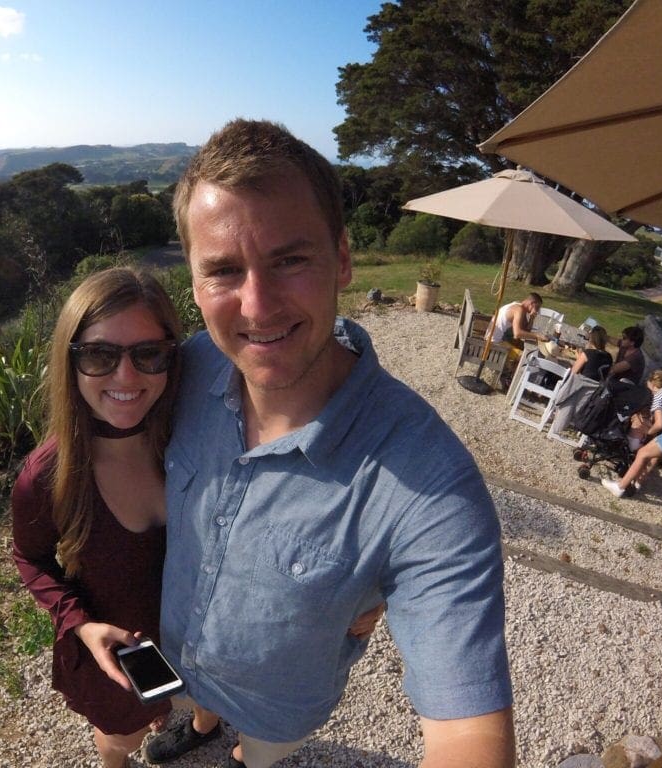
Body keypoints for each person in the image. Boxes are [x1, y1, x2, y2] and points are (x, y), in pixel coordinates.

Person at [145, 119, 514, 768]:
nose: (257, 307)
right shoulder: (189, 366)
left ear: (342, 258)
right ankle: (201, 723)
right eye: (224, 271)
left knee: (256, 755)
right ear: (195, 285)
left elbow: (469, 735)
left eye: (289, 260)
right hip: (177, 653)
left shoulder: (429, 485)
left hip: (279, 708)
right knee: (194, 706)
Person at [11, 267, 182, 768]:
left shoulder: (193, 436)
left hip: (203, 642)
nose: (126, 377)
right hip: (121, 658)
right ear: (70, 361)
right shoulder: (48, 477)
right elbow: (31, 557)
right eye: (99, 355)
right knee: (121, 739)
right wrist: (80, 626)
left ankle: (200, 727)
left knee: (203, 702)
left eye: (148, 354)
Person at [602, 369, 662, 498]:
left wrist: (646, 436)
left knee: (642, 453)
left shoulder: (658, 396)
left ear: (653, 385)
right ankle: (636, 485)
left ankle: (620, 487)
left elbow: (659, 424)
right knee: (654, 455)